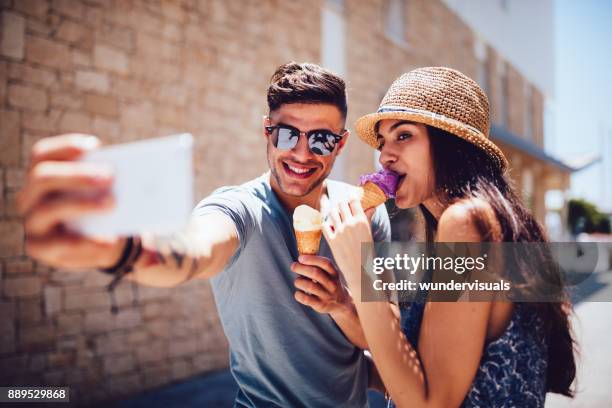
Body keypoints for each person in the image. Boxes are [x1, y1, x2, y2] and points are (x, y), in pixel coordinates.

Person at [17, 62, 392, 407]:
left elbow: (383, 338)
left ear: (341, 144)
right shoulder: (239, 208)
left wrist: (340, 304)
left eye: (321, 139)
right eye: (287, 134)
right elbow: (195, 248)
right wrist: (126, 250)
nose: (301, 153)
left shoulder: (364, 215)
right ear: (267, 131)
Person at [304, 67, 577, 407]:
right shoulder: (476, 224)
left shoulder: (467, 223)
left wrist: (363, 271)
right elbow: (414, 359)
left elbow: (432, 402)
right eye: (383, 141)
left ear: (450, 143)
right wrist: (342, 306)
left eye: (403, 135)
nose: (385, 155)